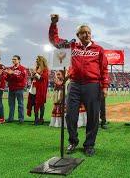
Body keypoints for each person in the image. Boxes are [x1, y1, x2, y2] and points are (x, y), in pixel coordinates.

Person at [49, 14, 109, 156]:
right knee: (70, 115)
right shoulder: (72, 46)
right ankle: (73, 141)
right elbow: (54, 40)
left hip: (92, 85)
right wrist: (53, 24)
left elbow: (104, 68)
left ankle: (89, 144)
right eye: (83, 32)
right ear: (78, 35)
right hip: (74, 85)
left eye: (89, 32)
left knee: (93, 117)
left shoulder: (98, 49)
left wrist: (105, 86)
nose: (87, 34)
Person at [4, 55, 27, 124]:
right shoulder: (10, 68)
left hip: (19, 88)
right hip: (11, 88)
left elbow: (21, 79)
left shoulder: (23, 68)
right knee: (11, 104)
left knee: (20, 104)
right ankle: (10, 118)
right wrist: (7, 74)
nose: (13, 60)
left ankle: (21, 119)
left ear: (19, 60)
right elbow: (7, 79)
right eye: (13, 59)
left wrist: (13, 73)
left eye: (15, 59)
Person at [27, 55, 49, 125]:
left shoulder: (45, 69)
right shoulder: (36, 68)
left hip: (40, 89)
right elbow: (34, 78)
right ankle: (36, 119)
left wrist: (35, 73)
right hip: (33, 88)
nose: (36, 61)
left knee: (41, 104)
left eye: (37, 60)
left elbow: (42, 78)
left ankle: (41, 119)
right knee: (34, 104)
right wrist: (32, 75)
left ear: (41, 61)